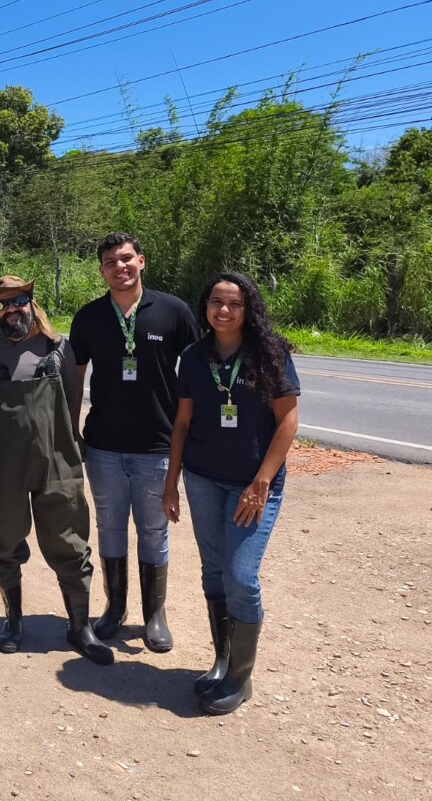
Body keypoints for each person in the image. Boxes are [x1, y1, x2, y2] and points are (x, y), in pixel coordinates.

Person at [163, 272, 300, 715]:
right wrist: (171, 483)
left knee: (240, 577)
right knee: (214, 572)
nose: (223, 311)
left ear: (248, 309)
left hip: (252, 485)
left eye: (234, 304)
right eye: (216, 303)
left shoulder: (270, 353)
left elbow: (288, 421)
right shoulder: (193, 356)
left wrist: (262, 482)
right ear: (205, 306)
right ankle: (222, 662)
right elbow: (182, 423)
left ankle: (241, 677)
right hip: (202, 478)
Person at [0, 276, 113, 664]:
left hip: (57, 461)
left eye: (19, 301)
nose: (12, 309)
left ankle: (80, 626)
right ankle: (12, 620)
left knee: (70, 542)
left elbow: (72, 401)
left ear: (31, 302)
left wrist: (71, 446)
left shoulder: (58, 347)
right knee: (4, 542)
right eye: (3, 304)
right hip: (2, 468)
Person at [70, 233, 199, 653]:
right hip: (103, 446)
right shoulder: (89, 317)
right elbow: (75, 379)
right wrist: (72, 430)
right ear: (101, 270)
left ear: (141, 261)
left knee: (153, 530)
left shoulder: (173, 311)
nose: (119, 267)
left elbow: (198, 374)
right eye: (110, 262)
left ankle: (154, 615)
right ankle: (115, 608)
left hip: (157, 445)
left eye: (126, 258)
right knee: (109, 527)